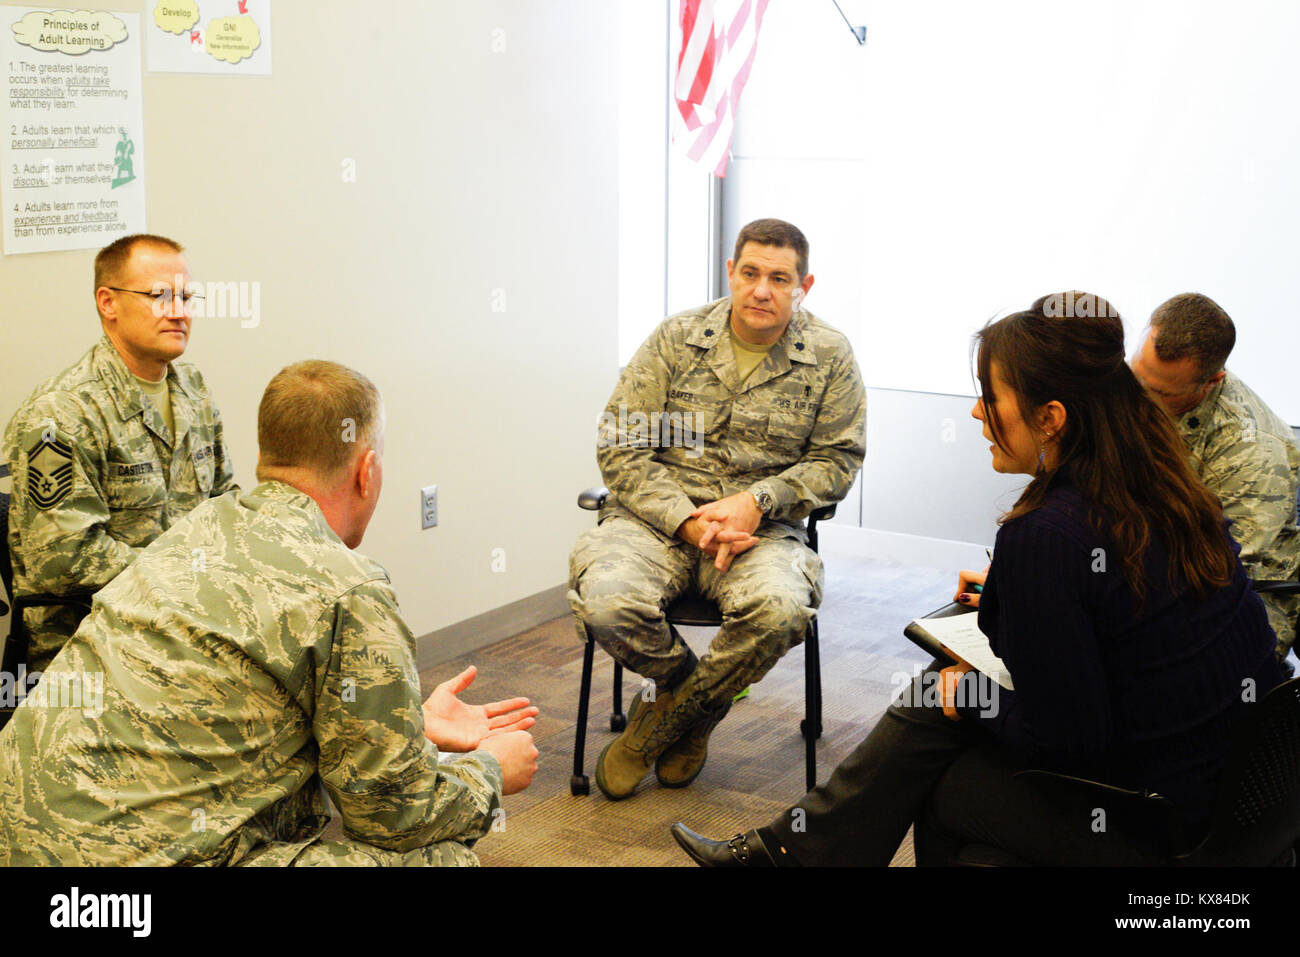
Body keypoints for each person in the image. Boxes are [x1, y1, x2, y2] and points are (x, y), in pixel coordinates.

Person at [671, 292, 1286, 866]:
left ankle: (793, 854)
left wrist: (977, 699)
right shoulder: (1167, 485)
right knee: (944, 699)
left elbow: (1070, 740)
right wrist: (1021, 605)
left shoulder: (1047, 535)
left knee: (944, 770)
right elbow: (1133, 608)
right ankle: (791, 854)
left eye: (989, 395)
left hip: (1161, 818)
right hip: (1245, 786)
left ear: (1050, 418)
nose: (975, 411)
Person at [0, 361, 539, 866]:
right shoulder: (348, 588)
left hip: (20, 835)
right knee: (441, 857)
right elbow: (395, 815)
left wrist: (407, 723)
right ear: (366, 471)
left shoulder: (193, 533)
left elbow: (221, 698)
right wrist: (490, 771)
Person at [567, 218, 866, 801]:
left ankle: (662, 725)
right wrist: (687, 519)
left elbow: (838, 460)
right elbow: (620, 444)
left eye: (780, 278)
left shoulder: (830, 355)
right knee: (605, 605)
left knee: (780, 612)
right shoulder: (675, 339)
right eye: (750, 273)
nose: (762, 289)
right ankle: (690, 702)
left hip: (762, 532)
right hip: (655, 523)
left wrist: (758, 502)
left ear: (805, 284)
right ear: (730, 271)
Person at [3, 233, 235, 671]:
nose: (180, 311)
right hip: (94, 641)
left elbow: (224, 500)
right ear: (108, 303)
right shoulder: (60, 414)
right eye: (160, 296)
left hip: (187, 620)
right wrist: (190, 575)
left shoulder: (192, 388)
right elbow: (67, 561)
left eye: (186, 297)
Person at [1130, 293, 1300, 664]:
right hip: (1152, 567)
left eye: (1158, 393)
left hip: (1244, 596)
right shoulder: (1143, 380)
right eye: (1137, 376)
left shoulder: (1252, 451)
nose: (1139, 397)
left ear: (1211, 382)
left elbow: (1221, 573)